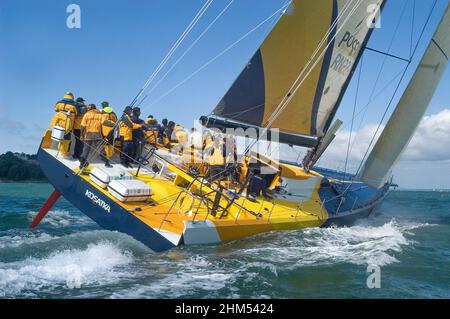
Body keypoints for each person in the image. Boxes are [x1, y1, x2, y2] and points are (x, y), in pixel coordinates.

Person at [79, 104, 111, 169]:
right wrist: (113, 124)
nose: (87, 109)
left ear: (90, 109)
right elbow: (105, 122)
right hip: (97, 134)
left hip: (88, 134)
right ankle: (107, 163)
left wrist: (81, 135)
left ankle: (82, 164)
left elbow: (82, 126)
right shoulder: (100, 115)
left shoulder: (86, 115)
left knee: (86, 150)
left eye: (88, 108)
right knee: (101, 149)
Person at [54, 92, 78, 157]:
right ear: (72, 96)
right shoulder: (74, 105)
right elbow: (76, 113)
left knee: (60, 137)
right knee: (66, 139)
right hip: (69, 124)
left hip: (60, 123)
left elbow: (55, 109)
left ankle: (59, 149)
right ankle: (64, 153)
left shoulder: (58, 103)